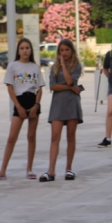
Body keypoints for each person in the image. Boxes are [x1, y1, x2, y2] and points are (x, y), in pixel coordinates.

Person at [0, 39, 45, 181]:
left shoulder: (35, 67)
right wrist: (18, 106)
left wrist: (36, 105)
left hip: (33, 102)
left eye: (27, 48)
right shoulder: (13, 66)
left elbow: (39, 89)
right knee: (11, 138)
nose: (25, 50)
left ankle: (29, 169)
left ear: (31, 50)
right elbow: (10, 88)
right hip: (20, 101)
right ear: (18, 51)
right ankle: (2, 171)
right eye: (22, 48)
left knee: (31, 137)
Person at [41, 39, 84, 182]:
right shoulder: (54, 68)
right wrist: (71, 88)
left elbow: (70, 80)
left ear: (71, 51)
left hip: (72, 104)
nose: (64, 53)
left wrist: (64, 66)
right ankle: (51, 170)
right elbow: (53, 87)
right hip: (58, 104)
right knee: (55, 137)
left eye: (66, 50)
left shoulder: (76, 66)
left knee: (70, 137)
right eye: (62, 50)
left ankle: (68, 168)